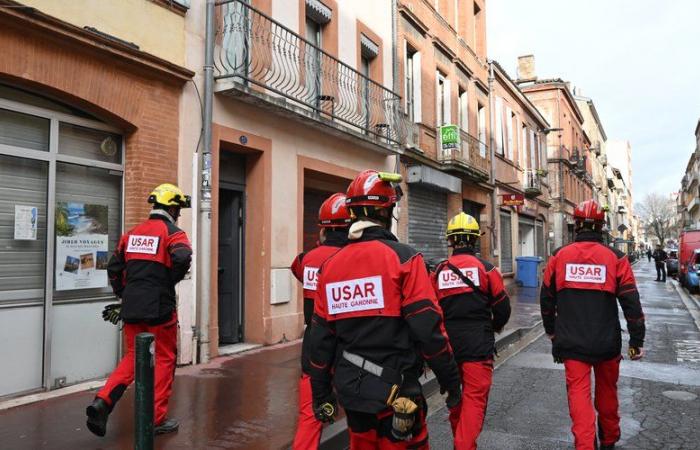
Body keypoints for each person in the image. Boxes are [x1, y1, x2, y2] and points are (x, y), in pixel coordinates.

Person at [308, 170, 462, 449]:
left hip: (353, 396)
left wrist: (321, 395)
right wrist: (450, 379)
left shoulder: (329, 267)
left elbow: (319, 340)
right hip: (398, 394)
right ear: (387, 209)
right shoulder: (404, 258)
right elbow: (428, 328)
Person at [86, 183, 192, 437]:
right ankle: (155, 419)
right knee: (165, 358)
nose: (178, 212)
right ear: (173, 207)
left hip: (132, 306)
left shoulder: (131, 234)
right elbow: (183, 256)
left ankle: (103, 401)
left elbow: (114, 268)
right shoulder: (174, 233)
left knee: (134, 357)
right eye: (178, 208)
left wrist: (124, 293)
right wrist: (169, 280)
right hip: (160, 307)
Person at [540, 200, 645, 450]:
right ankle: (609, 440)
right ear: (601, 226)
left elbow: (546, 300)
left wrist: (552, 333)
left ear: (576, 225)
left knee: (579, 398)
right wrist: (636, 341)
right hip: (607, 343)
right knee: (608, 394)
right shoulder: (616, 258)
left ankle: (585, 444)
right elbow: (631, 303)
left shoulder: (559, 256)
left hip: (571, 342)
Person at [431, 212, 511, 450]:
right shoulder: (487, 270)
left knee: (455, 398)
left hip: (447, 348)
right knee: (475, 400)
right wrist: (494, 327)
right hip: (478, 344)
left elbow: (429, 311)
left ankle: (461, 441)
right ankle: (464, 445)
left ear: (451, 240)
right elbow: (503, 308)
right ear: (475, 240)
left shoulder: (438, 272)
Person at [290, 192, 351, 450]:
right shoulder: (354, 258)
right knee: (359, 413)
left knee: (310, 415)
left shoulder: (307, 259)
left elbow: (297, 269)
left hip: (314, 344)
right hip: (349, 344)